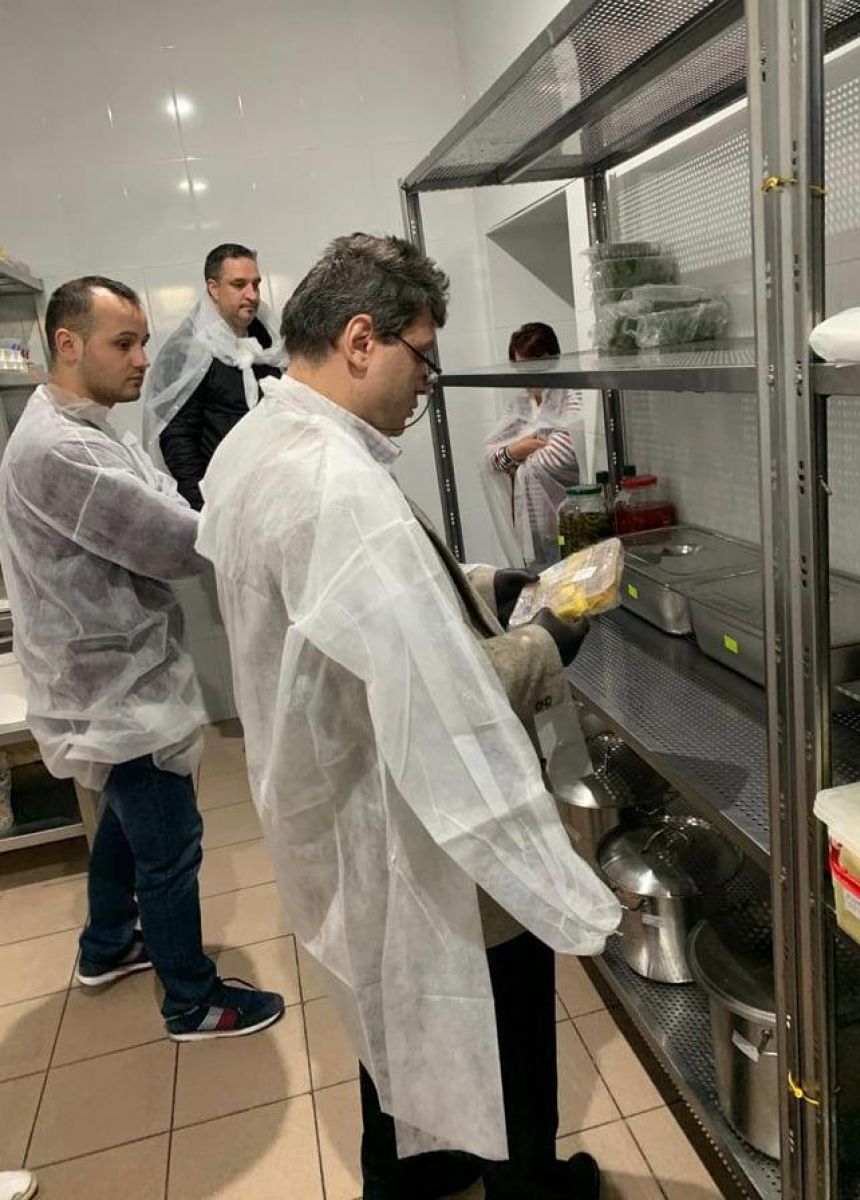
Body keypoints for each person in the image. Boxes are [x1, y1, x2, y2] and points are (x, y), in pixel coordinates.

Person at [196, 234, 621, 1200]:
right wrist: (548, 639)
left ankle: (413, 1171)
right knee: (503, 1010)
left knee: (393, 999)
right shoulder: (335, 482)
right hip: (412, 808)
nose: (427, 382)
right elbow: (439, 691)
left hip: (333, 791)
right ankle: (527, 1186)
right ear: (361, 340)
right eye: (421, 356)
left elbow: (360, 603)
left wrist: (482, 582)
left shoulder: (268, 439)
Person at [0, 277, 284, 1042]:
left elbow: (160, 493)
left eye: (142, 341)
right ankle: (191, 1001)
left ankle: (106, 947)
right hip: (114, 689)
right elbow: (173, 539)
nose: (143, 359)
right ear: (67, 344)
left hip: (108, 680)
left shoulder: (82, 426)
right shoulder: (64, 449)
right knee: (170, 846)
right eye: (123, 343)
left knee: (126, 826)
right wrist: (264, 513)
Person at [143, 243, 286, 508]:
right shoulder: (188, 349)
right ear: (213, 288)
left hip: (274, 490)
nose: (252, 295)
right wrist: (203, 507)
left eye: (255, 284)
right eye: (239, 284)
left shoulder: (269, 339)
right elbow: (177, 436)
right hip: (222, 498)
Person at [482, 322, 585, 566]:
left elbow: (558, 457)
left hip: (572, 523)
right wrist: (516, 450)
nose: (527, 375)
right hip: (533, 528)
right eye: (520, 367)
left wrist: (514, 458)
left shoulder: (573, 396)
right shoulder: (519, 405)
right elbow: (489, 459)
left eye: (533, 365)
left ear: (553, 360)